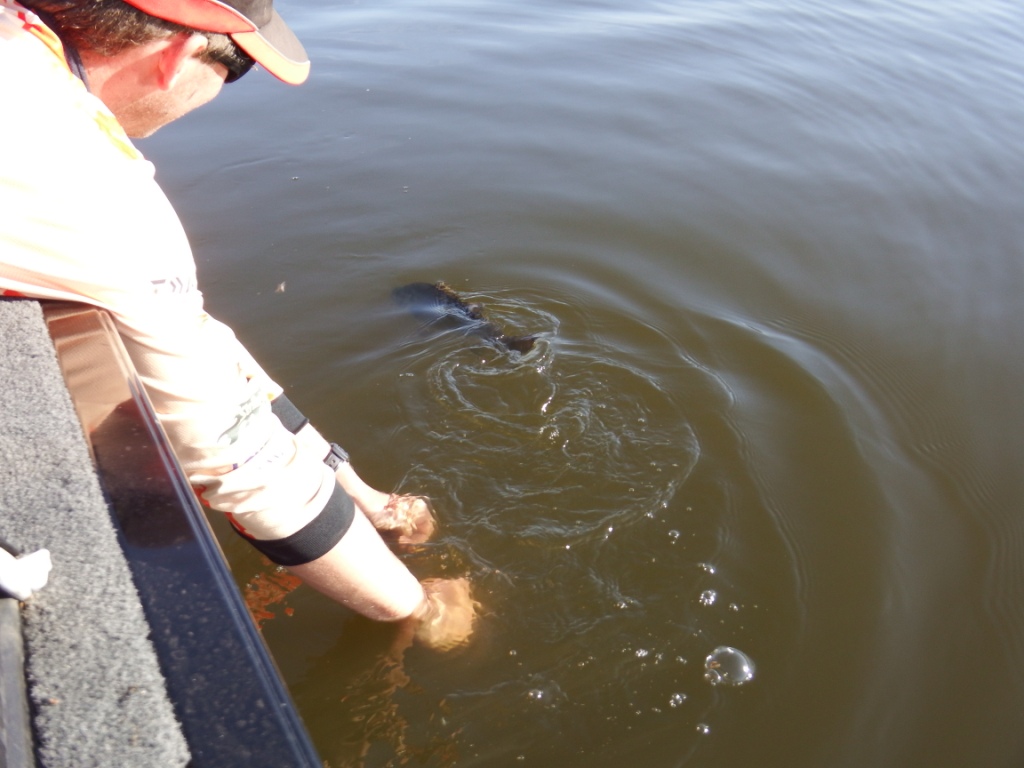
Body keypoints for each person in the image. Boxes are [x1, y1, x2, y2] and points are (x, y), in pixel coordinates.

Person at [0, 0, 476, 650]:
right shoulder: (88, 187)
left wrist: (362, 495)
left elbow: (196, 342)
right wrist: (418, 607)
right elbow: (238, 457)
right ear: (177, 55)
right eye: (237, 67)